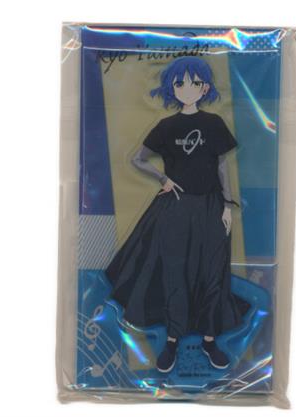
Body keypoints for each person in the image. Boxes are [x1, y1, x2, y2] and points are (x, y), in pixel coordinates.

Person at [105, 56, 249, 373]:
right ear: (171, 87)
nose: (188, 88)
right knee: (175, 272)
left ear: (205, 87)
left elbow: (222, 166)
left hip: (211, 206)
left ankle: (210, 339)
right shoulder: (166, 126)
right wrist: (163, 179)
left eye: (195, 82)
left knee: (213, 272)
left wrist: (227, 205)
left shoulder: (214, 123)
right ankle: (172, 340)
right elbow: (138, 159)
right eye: (180, 82)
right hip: (176, 207)